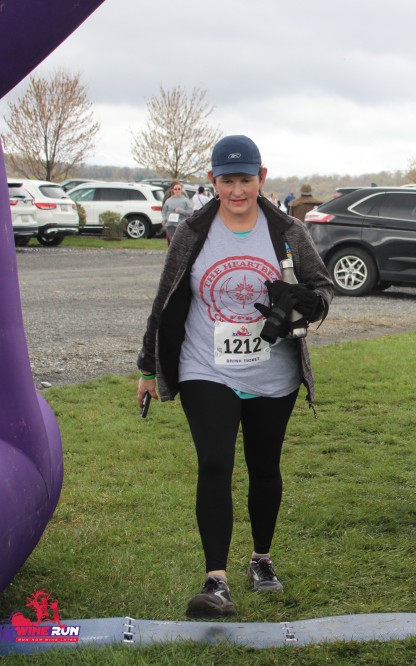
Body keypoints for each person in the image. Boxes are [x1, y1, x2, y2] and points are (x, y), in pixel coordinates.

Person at [136, 134, 334, 619]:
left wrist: (308, 304)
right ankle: (216, 581)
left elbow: (322, 287)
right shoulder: (193, 232)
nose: (237, 190)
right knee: (214, 463)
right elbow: (165, 300)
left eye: (246, 179)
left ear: (262, 178)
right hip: (205, 367)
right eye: (227, 181)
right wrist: (147, 367)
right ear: (213, 180)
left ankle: (261, 560)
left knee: (264, 467)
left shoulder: (287, 231)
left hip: (274, 370)